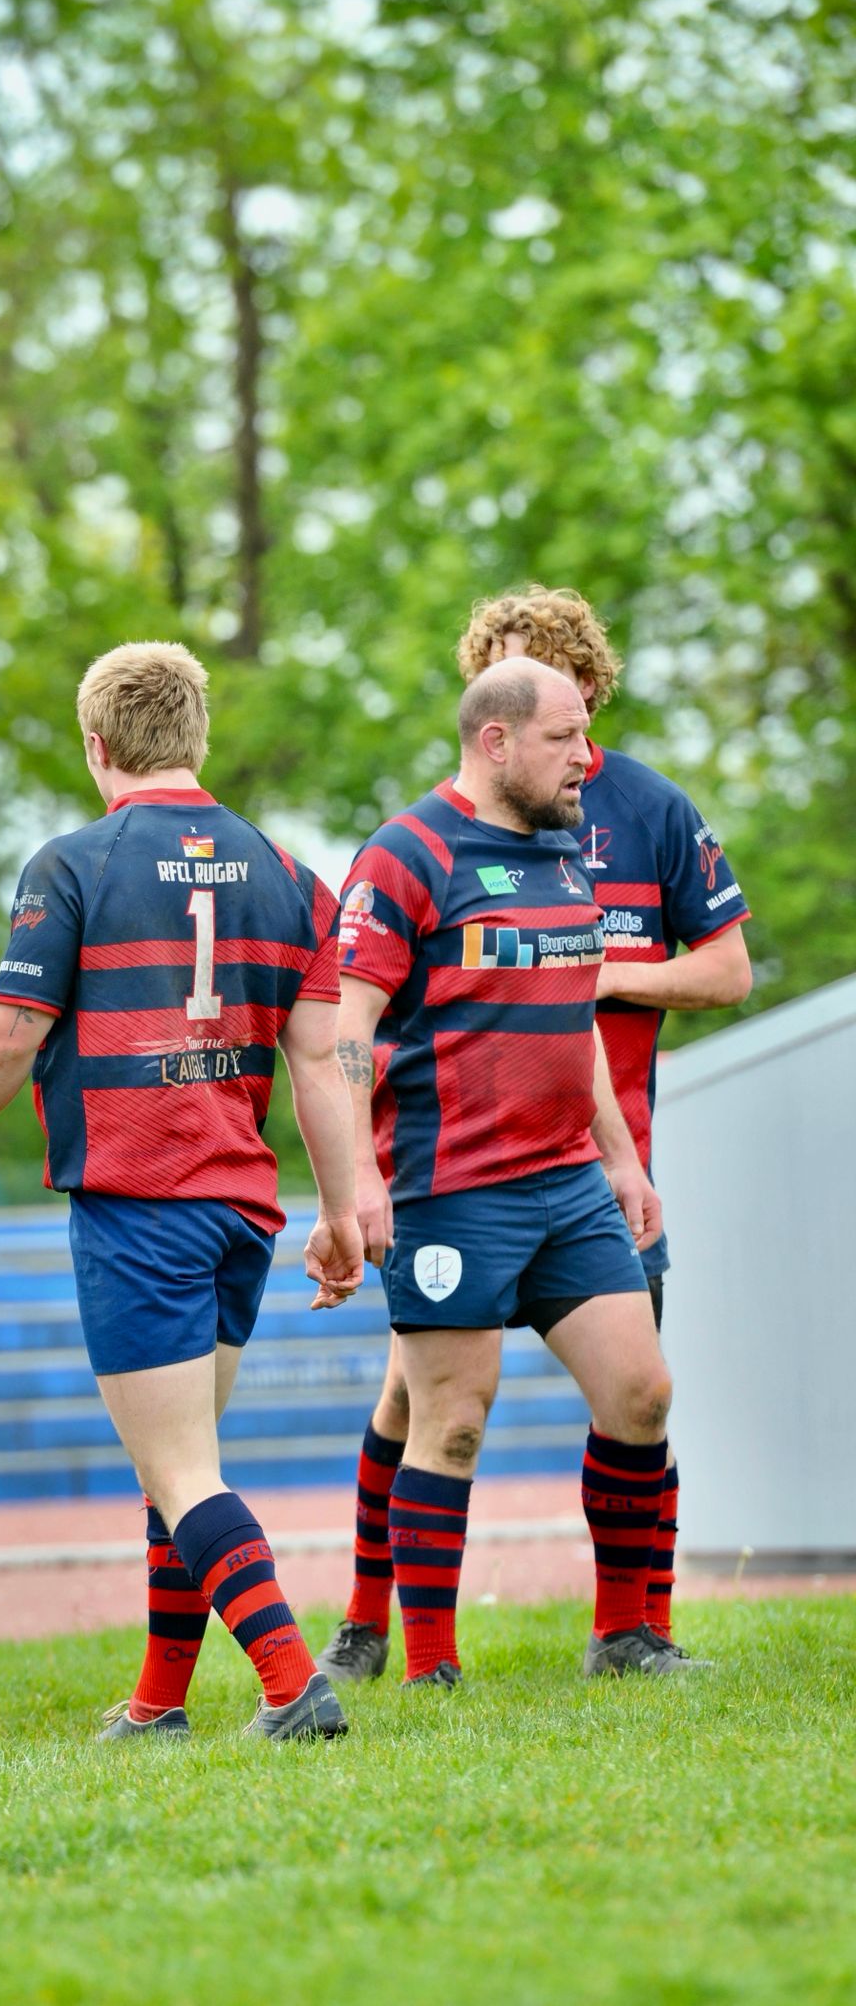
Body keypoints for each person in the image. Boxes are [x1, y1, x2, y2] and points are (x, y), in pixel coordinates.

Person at [0, 642, 363, 1741]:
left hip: (139, 1203)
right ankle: (160, 1703)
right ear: (197, 736)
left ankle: (292, 1685)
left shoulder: (74, 864)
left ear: (96, 745)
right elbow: (320, 1061)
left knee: (180, 1469)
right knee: (178, 1467)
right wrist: (343, 1210)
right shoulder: (290, 873)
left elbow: (10, 1035)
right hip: (240, 1209)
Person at [319, 590, 750, 1685]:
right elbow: (342, 1032)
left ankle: (628, 1634)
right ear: (496, 735)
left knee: (642, 1393)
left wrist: (620, 1159)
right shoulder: (407, 852)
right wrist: (359, 1177)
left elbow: (574, 1023)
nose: (584, 756)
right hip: (453, 1184)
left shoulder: (569, 850)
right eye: (562, 736)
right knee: (446, 1418)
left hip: (572, 1183)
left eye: (584, 728)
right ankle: (427, 1663)